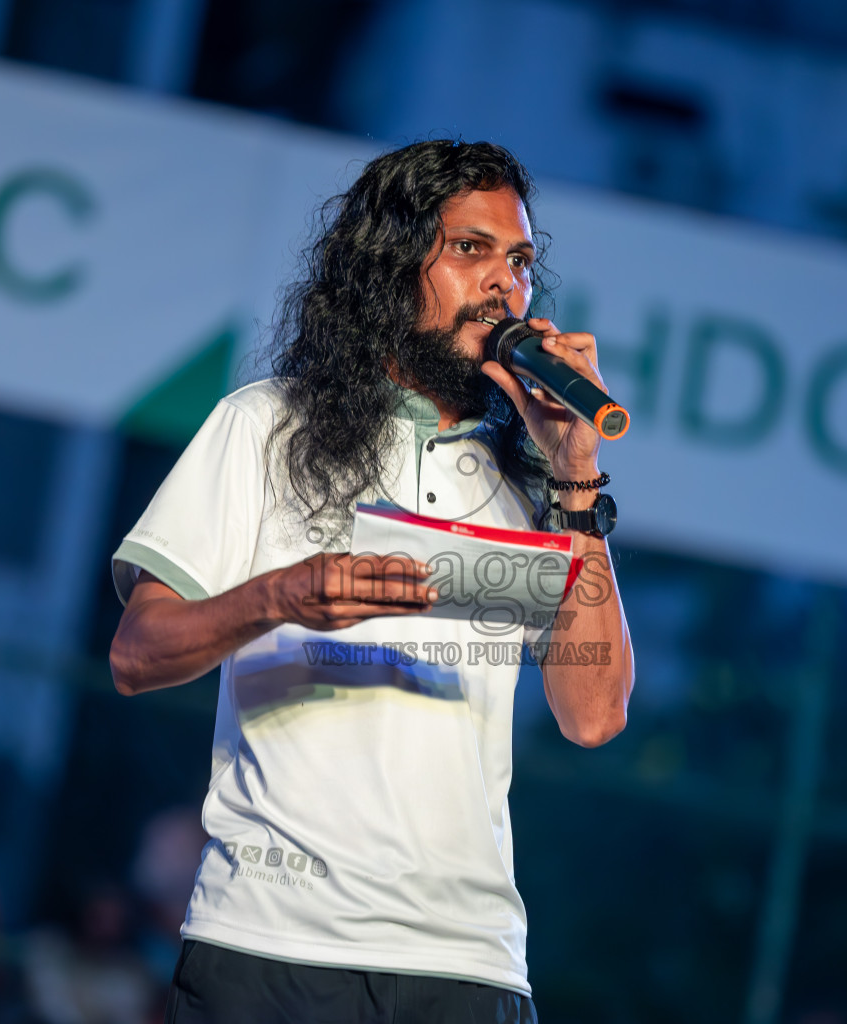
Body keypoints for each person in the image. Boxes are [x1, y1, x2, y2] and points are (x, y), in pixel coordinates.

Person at [108, 139, 634, 1022]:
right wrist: (280, 596)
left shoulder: (533, 484)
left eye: (520, 261)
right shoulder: (266, 427)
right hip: (272, 946)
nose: (503, 283)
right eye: (470, 250)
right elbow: (136, 654)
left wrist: (576, 474)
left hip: (467, 964)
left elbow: (595, 716)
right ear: (390, 264)